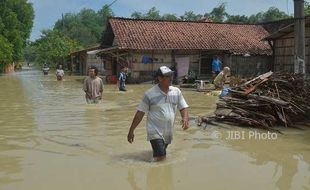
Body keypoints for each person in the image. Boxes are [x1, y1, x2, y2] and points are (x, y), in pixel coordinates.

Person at [127, 66, 189, 162]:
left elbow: (183, 107)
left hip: (168, 131)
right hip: (154, 130)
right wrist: (131, 131)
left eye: (171, 75)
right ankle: (155, 173)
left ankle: (154, 171)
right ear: (160, 78)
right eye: (167, 76)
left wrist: (185, 118)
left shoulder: (176, 92)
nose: (171, 78)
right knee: (162, 157)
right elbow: (140, 113)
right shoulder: (149, 94)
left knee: (160, 154)